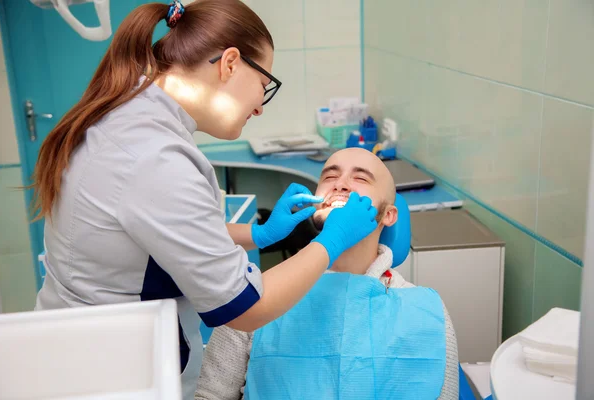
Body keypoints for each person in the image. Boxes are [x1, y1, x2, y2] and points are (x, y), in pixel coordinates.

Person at [31, 1, 379, 398]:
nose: (260, 107)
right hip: (108, 374)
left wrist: (260, 235)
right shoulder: (154, 157)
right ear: (230, 63)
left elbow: (162, 237)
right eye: (264, 86)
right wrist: (329, 242)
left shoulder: (129, 116)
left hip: (84, 354)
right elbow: (246, 309)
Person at [194, 148, 460, 400]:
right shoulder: (259, 295)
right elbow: (210, 394)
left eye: (360, 178)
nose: (340, 184)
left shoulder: (424, 311)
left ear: (388, 215)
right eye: (330, 176)